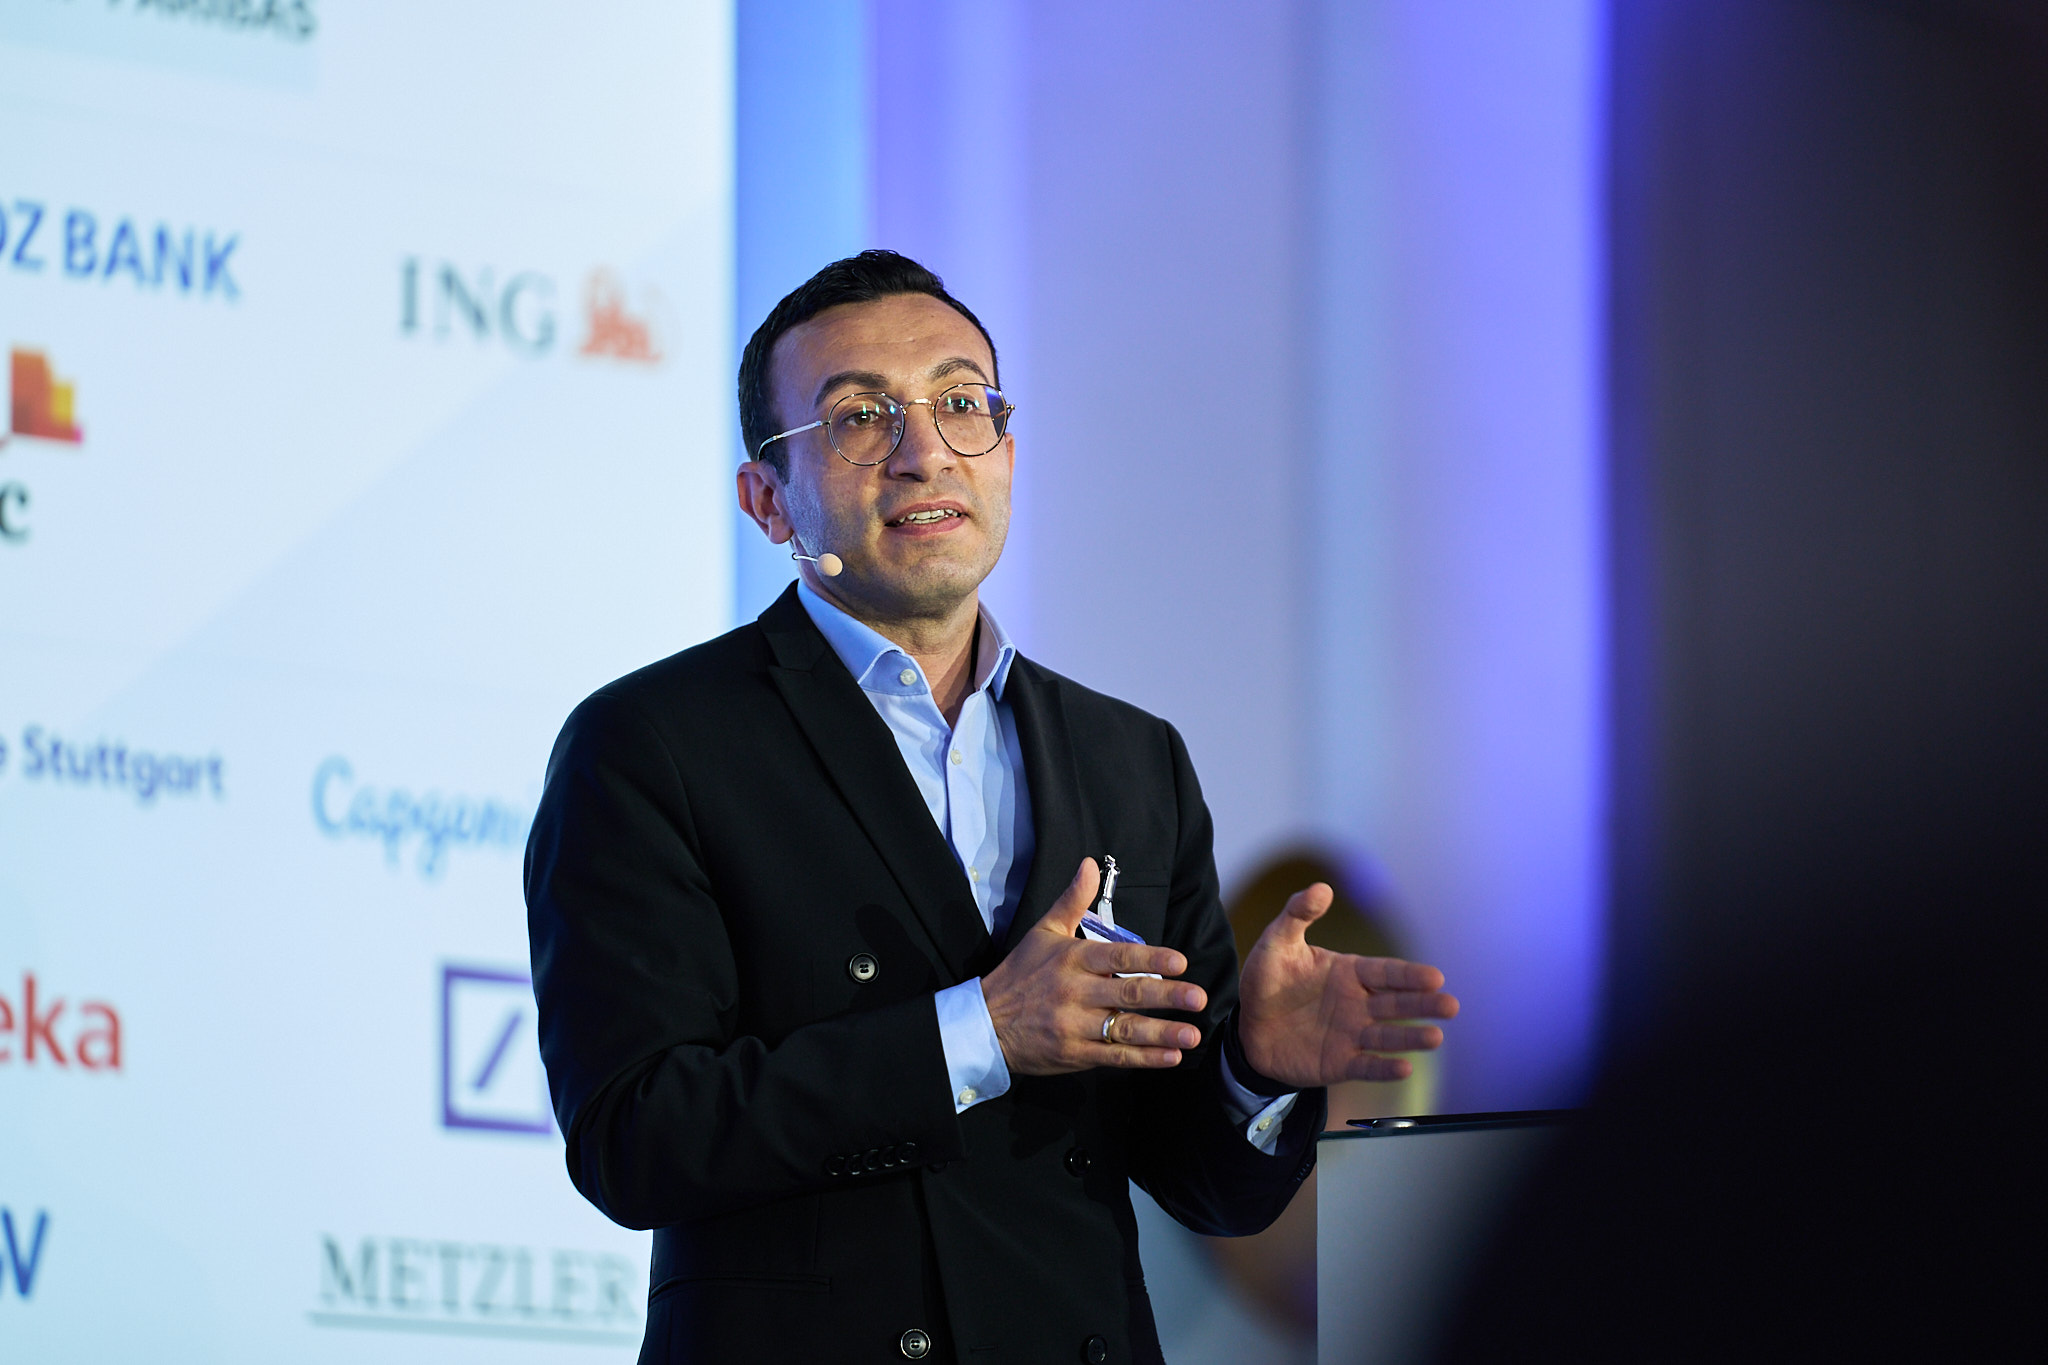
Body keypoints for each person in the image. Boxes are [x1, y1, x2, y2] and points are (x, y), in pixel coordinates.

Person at [524, 250, 1459, 1364]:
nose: (924, 451)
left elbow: (1208, 1190)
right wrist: (981, 1032)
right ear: (767, 500)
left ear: (1006, 455)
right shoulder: (651, 744)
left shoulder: (1130, 759)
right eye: (859, 417)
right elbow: (633, 1138)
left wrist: (1252, 1067)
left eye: (961, 404)